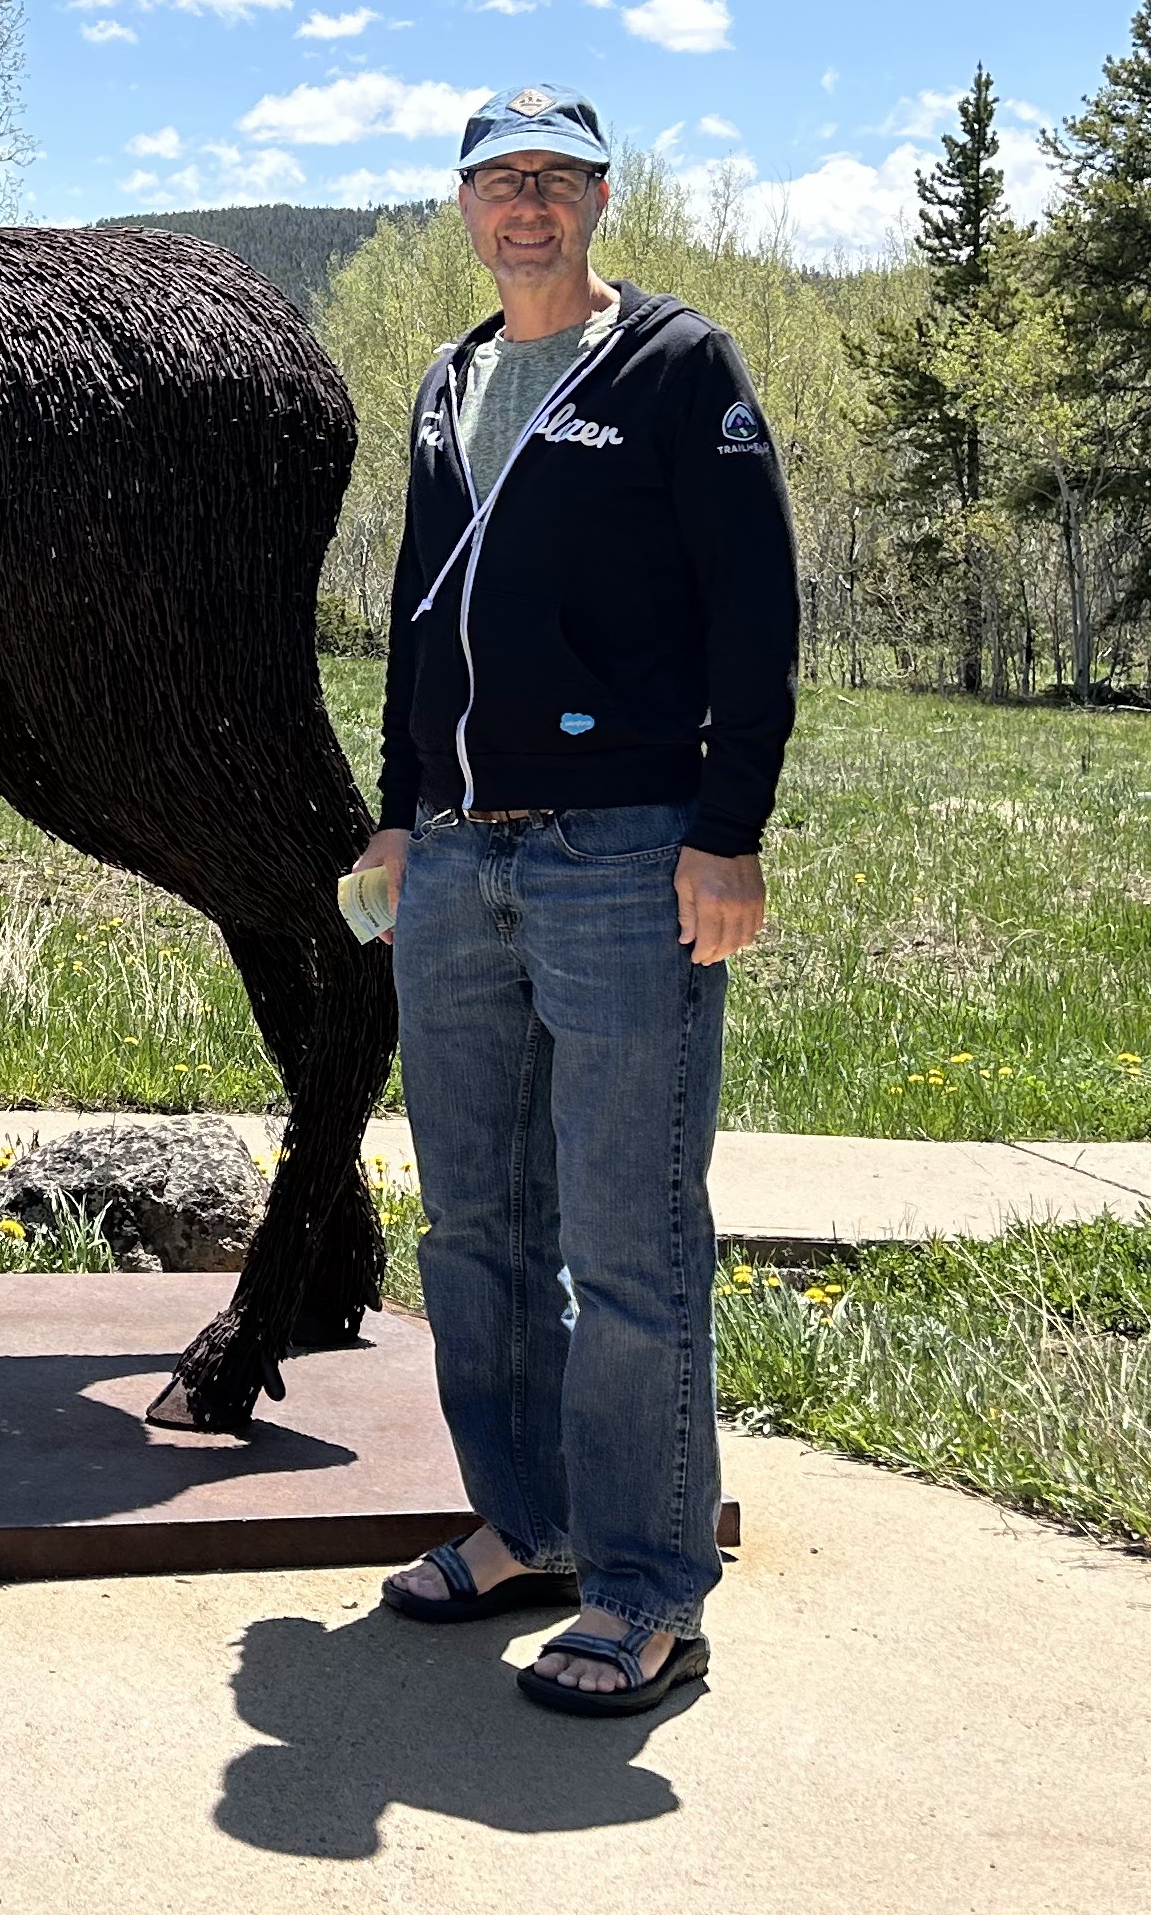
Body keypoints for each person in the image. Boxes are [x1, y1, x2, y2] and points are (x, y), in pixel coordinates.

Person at [348, 85, 798, 1720]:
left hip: (624, 847)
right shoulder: (449, 379)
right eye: (497, 178)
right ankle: (526, 1524)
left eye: (553, 176)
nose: (524, 203)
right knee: (475, 1219)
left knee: (623, 1233)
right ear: (462, 201)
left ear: (600, 195)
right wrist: (397, 817)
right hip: (459, 853)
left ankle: (642, 1582)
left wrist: (725, 828)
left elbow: (755, 607)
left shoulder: (679, 367)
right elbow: (416, 615)